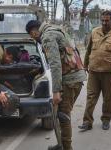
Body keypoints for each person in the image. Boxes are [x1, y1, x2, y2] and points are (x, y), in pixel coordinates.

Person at [26, 20, 86, 150]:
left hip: (69, 80)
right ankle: (61, 145)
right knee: (60, 114)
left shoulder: (47, 36)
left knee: (63, 116)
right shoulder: (57, 30)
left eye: (32, 35)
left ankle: (66, 147)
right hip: (76, 77)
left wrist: (56, 91)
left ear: (34, 31)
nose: (33, 38)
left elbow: (55, 65)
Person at [78, 10, 111, 131]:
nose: (104, 23)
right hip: (93, 70)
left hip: (108, 71)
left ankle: (106, 120)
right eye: (102, 20)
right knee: (91, 97)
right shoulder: (94, 31)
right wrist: (85, 65)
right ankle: (87, 121)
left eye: (107, 21)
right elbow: (88, 50)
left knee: (108, 98)